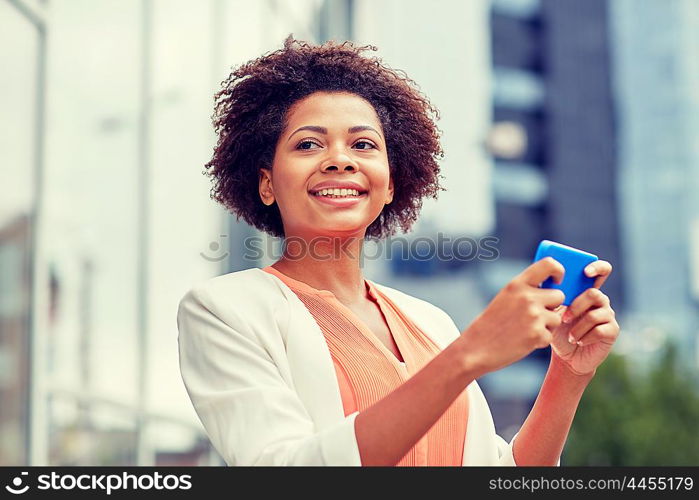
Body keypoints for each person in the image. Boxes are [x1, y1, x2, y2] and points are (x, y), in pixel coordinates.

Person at [176, 36, 620, 466]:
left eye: (363, 144)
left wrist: (569, 372)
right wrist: (467, 356)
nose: (340, 160)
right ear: (267, 183)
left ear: (389, 184)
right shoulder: (223, 310)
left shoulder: (430, 323)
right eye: (308, 144)